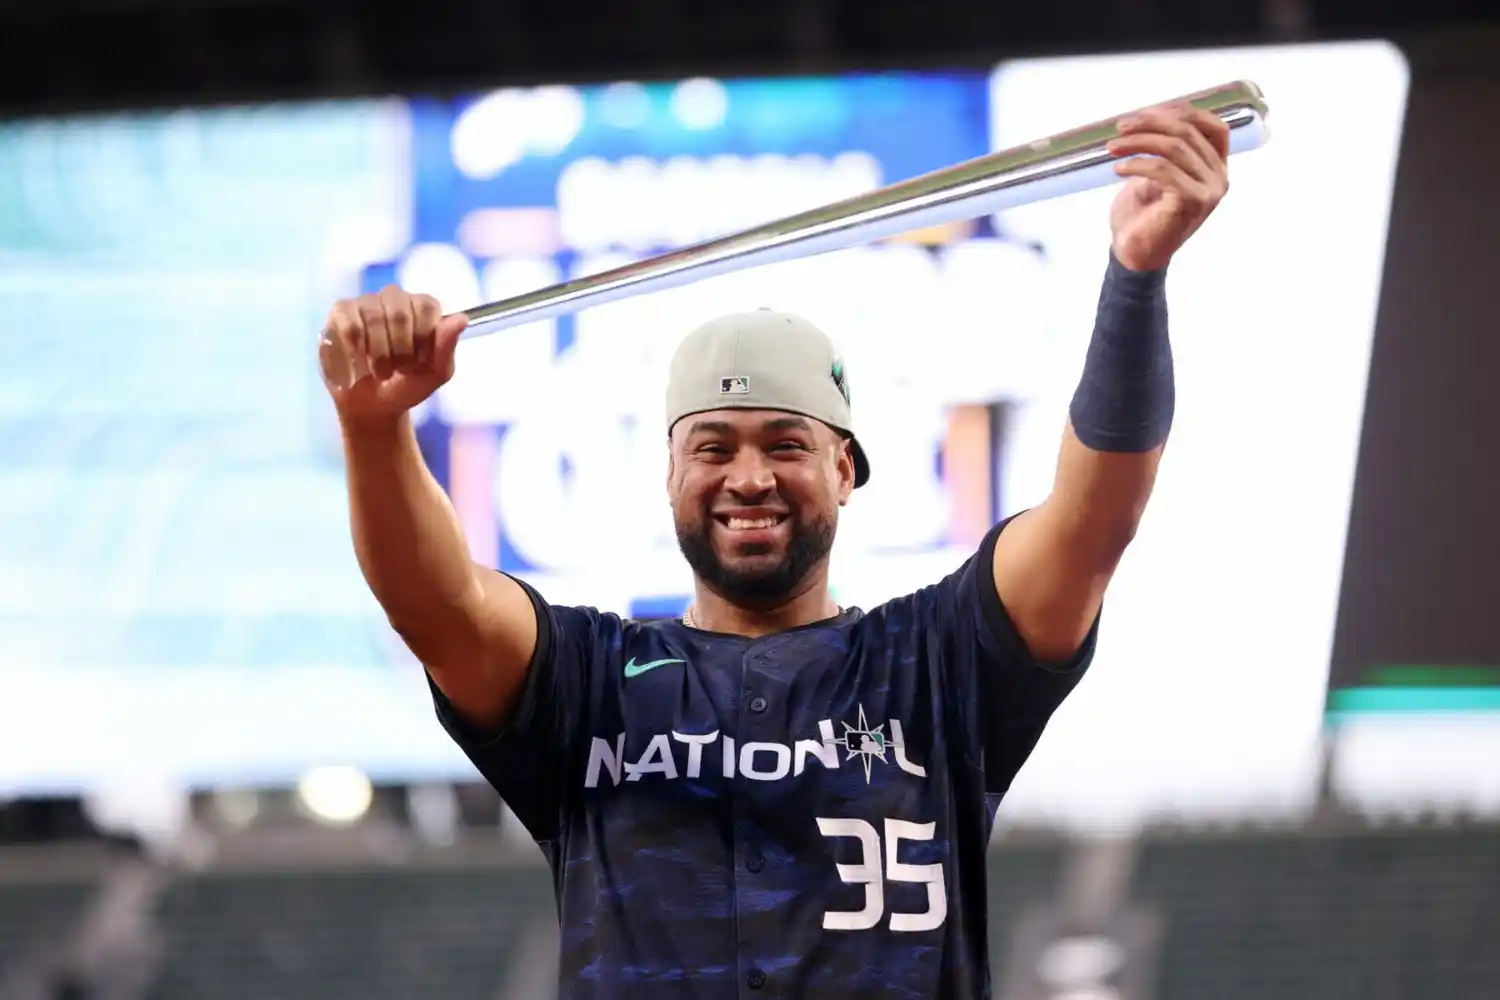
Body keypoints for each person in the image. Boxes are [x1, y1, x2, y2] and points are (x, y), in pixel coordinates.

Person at [321, 103, 1230, 999]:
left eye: (785, 445)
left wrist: (1136, 276)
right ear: (669, 476)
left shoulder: (939, 660)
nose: (747, 477)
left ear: (845, 469)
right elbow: (434, 603)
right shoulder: (588, 684)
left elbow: (1094, 516)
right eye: (712, 447)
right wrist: (375, 427)